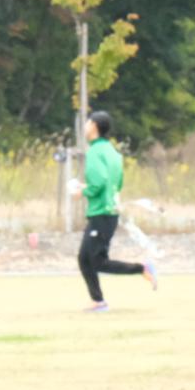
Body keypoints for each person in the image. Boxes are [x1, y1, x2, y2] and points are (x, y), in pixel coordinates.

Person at [72, 111, 157, 312]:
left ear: (94, 126)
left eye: (87, 123)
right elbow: (117, 182)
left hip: (101, 213)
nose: (84, 126)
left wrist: (83, 190)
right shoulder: (112, 152)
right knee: (85, 258)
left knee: (97, 261)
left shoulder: (94, 152)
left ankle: (142, 269)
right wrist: (93, 188)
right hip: (108, 212)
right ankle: (98, 301)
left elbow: (99, 182)